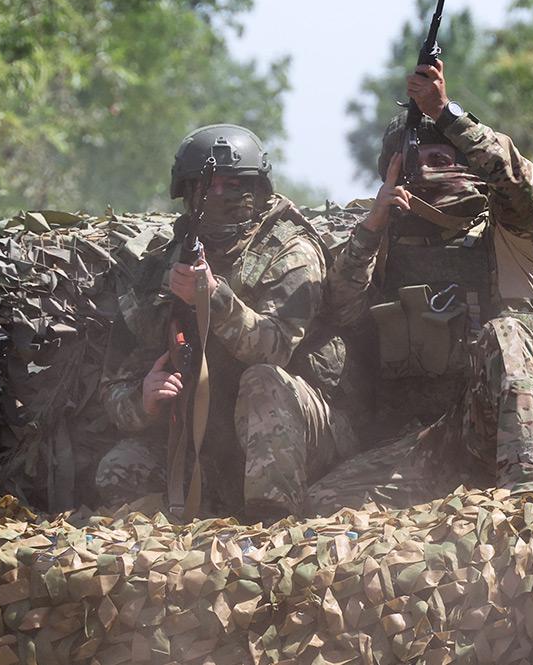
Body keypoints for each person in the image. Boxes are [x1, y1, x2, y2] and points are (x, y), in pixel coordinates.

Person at [306, 59, 533, 514]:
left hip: (496, 435)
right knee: (322, 503)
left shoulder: (507, 232)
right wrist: (374, 226)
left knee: (505, 333)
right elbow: (339, 312)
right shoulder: (379, 242)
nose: (442, 158)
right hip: (421, 447)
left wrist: (444, 112)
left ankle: (531, 507)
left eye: (450, 152)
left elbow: (516, 181)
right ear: (396, 169)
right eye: (425, 153)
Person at [94, 124, 357, 518]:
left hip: (300, 432)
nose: (218, 196)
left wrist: (213, 297)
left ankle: (274, 528)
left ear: (257, 190)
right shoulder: (163, 265)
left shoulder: (289, 250)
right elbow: (114, 384)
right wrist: (143, 398)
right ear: (187, 193)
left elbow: (275, 349)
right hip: (210, 442)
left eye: (232, 185)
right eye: (205, 187)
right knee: (118, 470)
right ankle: (186, 540)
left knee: (263, 381)